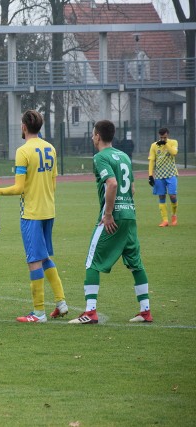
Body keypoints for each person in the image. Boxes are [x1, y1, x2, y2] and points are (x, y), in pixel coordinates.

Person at [0, 110, 67, 323]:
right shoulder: (51, 148)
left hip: (32, 213)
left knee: (34, 261)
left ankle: (38, 312)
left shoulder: (23, 151)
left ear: (24, 127)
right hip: (48, 210)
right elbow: (53, 182)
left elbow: (19, 188)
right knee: (45, 257)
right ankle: (61, 303)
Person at [69, 120, 152, 324]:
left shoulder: (100, 157)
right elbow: (132, 189)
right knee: (135, 264)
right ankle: (145, 310)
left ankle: (90, 312)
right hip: (130, 216)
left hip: (113, 218)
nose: (91, 138)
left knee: (92, 262)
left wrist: (107, 214)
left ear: (97, 136)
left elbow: (112, 183)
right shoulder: (124, 156)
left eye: (92, 134)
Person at [148, 127, 178, 227]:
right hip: (159, 175)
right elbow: (152, 160)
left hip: (171, 174)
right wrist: (150, 175)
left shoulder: (173, 142)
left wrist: (165, 143)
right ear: (159, 136)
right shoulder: (154, 145)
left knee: (172, 195)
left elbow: (174, 153)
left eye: (164, 137)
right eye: (161, 137)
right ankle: (165, 220)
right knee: (161, 196)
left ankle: (174, 215)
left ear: (167, 135)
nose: (162, 139)